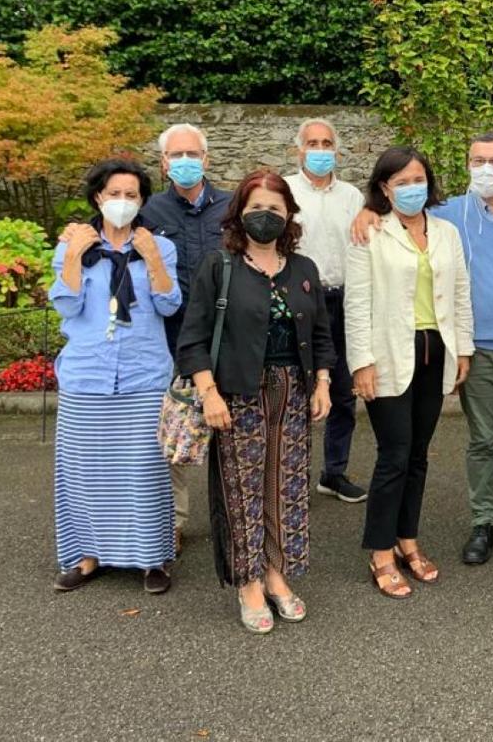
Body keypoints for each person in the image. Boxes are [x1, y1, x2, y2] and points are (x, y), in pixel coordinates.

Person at [351, 132, 493, 566]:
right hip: (478, 350)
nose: (486, 169)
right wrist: (366, 209)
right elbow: (398, 206)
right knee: (482, 443)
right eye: (477, 161)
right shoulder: (449, 214)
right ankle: (483, 523)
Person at [176, 169, 334, 633]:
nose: (266, 216)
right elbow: (193, 339)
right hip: (236, 393)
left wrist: (322, 383)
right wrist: (209, 393)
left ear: (289, 216)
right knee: (242, 490)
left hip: (294, 392)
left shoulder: (303, 269)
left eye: (275, 210)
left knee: (285, 487)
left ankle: (277, 574)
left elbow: (322, 333)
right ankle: (247, 582)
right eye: (257, 208)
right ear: (240, 214)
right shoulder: (219, 267)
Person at [345, 146, 474, 599]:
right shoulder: (370, 232)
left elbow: (460, 292)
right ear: (384, 188)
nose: (411, 188)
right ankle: (380, 550)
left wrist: (464, 348)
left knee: (418, 453)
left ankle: (407, 538)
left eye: (417, 179)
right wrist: (360, 361)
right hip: (388, 354)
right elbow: (356, 302)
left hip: (435, 350)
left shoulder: (446, 232)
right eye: (400, 182)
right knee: (394, 453)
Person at [49, 159, 181, 595]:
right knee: (85, 472)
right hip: (87, 376)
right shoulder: (75, 246)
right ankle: (86, 556)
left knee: (144, 472)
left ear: (142, 201)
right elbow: (66, 305)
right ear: (97, 198)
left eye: (131, 195)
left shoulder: (159, 247)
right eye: (114, 194)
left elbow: (169, 304)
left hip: (143, 377)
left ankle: (153, 558)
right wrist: (71, 254)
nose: (122, 202)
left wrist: (150, 259)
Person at [140, 122, 232, 556]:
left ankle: (232, 516)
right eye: (176, 156)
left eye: (192, 154)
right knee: (170, 436)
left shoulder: (232, 207)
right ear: (163, 164)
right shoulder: (148, 211)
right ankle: (172, 522)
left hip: (228, 336)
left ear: (207, 159)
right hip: (172, 337)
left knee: (229, 429)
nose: (185, 162)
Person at [285, 118, 368, 505]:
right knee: (294, 391)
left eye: (327, 143)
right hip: (298, 300)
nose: (321, 150)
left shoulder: (351, 196)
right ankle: (290, 475)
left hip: (344, 298)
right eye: (313, 143)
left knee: (343, 390)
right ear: (299, 149)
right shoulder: (283, 190)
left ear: (338, 149)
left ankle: (333, 473)